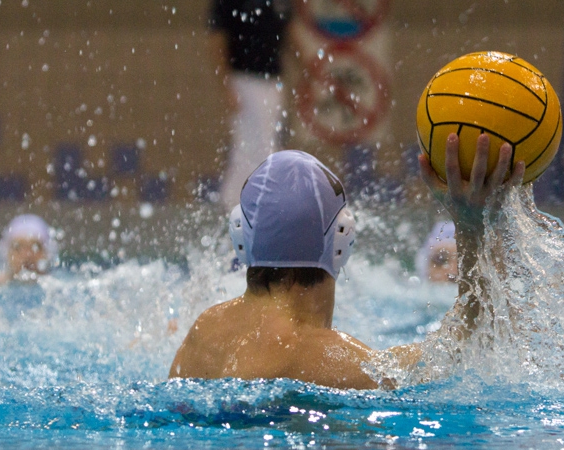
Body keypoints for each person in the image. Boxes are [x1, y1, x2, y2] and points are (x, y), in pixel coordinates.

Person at [170, 134, 525, 388]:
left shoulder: (204, 332)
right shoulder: (334, 364)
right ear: (342, 239)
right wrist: (471, 224)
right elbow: (470, 340)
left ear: (240, 238)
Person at [207, 0, 292, 210]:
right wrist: (226, 84)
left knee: (266, 143)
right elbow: (217, 42)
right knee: (254, 146)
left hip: (273, 81)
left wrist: (310, 67)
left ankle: (241, 203)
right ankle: (242, 204)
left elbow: (288, 32)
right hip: (244, 79)